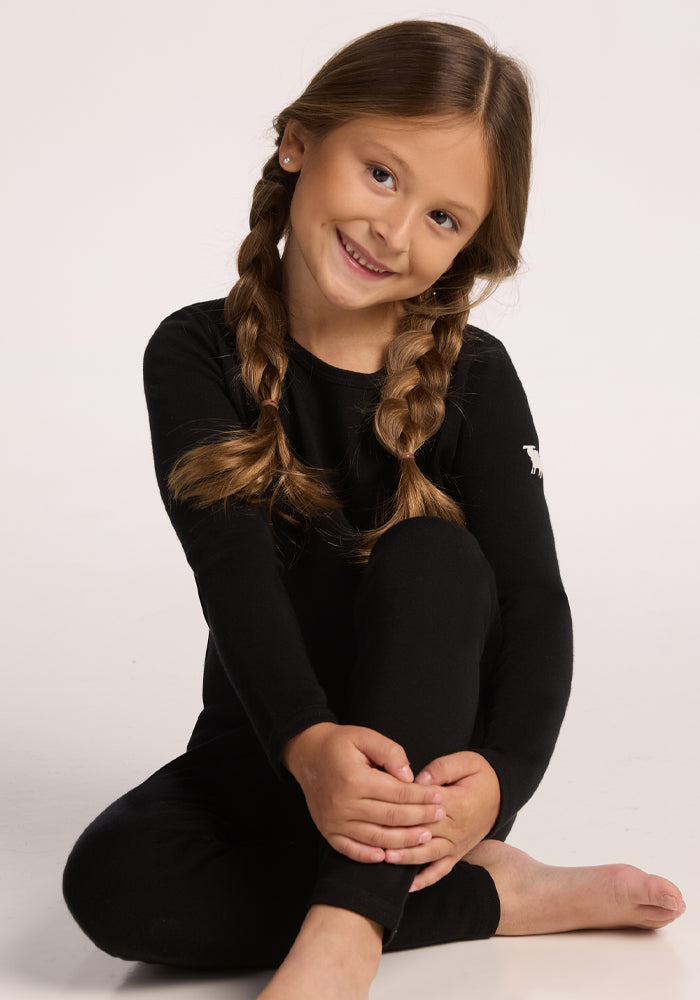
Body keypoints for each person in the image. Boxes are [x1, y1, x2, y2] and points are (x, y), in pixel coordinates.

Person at [62, 19, 685, 999]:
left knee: (434, 555)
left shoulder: (471, 375)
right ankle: (493, 902)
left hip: (421, 785)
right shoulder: (194, 354)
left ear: (471, 244)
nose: (392, 231)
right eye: (382, 174)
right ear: (300, 141)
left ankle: (347, 932)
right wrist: (307, 745)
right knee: (110, 888)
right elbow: (230, 573)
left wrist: (497, 779)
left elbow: (533, 600)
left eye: (443, 218)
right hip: (273, 748)